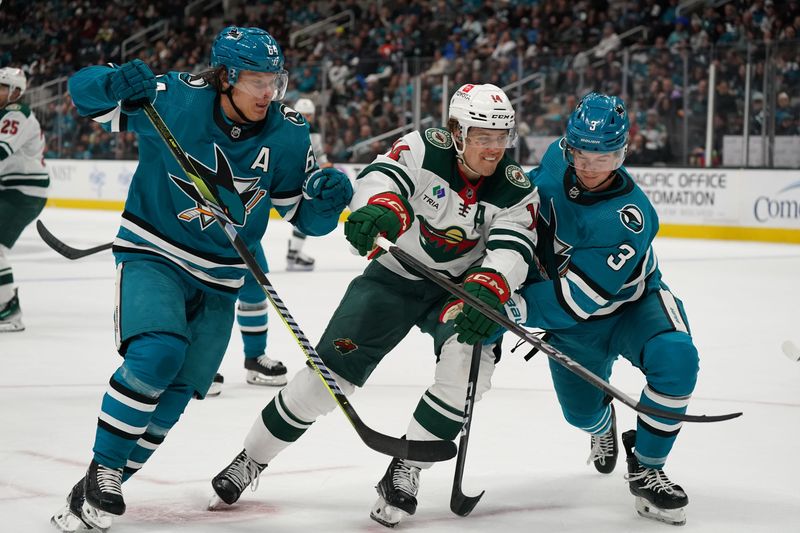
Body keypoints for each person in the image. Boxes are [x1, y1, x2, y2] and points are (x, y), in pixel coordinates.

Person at [49, 25, 352, 532]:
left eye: (273, 80)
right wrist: (112, 81)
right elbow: (82, 95)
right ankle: (104, 467)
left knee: (183, 390)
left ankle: (103, 483)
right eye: (256, 80)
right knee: (158, 353)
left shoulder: (290, 131)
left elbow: (304, 217)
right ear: (227, 75)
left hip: (222, 276)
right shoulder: (172, 98)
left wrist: (327, 203)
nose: (267, 92)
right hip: (154, 252)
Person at [207, 83, 539, 528]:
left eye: (502, 138)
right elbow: (383, 180)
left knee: (467, 369)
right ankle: (250, 459)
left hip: (459, 292)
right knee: (327, 377)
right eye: (483, 136)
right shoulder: (425, 148)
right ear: (457, 131)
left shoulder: (516, 187)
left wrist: (491, 286)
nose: (494, 149)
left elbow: (513, 247)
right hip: (394, 278)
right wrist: (382, 210)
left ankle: (407, 470)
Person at [488, 92, 698, 526]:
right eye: (581, 154)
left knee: (676, 360)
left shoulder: (630, 217)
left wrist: (510, 305)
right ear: (567, 145)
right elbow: (518, 199)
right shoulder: (552, 159)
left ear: (622, 154)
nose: (588, 168)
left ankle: (648, 465)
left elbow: (576, 300)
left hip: (634, 306)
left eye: (602, 159)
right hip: (574, 325)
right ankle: (602, 427)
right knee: (580, 415)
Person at [0, 67, 48, 333]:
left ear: (16, 92)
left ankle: (8, 309)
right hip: (9, 188)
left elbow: (0, 151)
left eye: (1, 87)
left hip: (24, 192)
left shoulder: (16, 114)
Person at [285, 97, 329, 272]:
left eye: (308, 115)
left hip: (300, 177)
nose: (305, 117)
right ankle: (294, 252)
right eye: (303, 114)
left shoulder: (312, 131)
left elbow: (317, 152)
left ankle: (294, 252)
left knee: (302, 214)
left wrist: (325, 164)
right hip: (291, 177)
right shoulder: (287, 128)